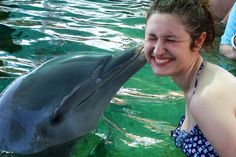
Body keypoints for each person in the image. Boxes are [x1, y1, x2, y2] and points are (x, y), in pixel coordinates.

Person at [144, 0, 236, 156]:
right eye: (152, 38)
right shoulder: (201, 79)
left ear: (199, 41)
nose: (158, 50)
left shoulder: (205, 98)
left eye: (171, 40)